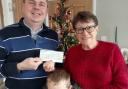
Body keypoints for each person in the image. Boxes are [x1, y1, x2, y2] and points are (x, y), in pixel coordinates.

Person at [0, 0, 58, 89]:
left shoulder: (53, 36)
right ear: (23, 6)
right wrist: (19, 66)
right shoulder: (4, 34)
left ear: (46, 10)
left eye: (41, 4)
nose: (37, 7)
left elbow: (58, 66)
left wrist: (53, 66)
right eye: (32, 2)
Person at [64, 11, 128, 89]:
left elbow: (123, 85)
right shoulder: (72, 52)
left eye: (89, 28)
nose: (85, 33)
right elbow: (66, 79)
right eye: (80, 29)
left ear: (97, 29)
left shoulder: (112, 50)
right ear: (75, 32)